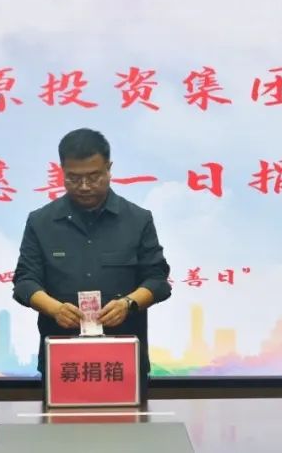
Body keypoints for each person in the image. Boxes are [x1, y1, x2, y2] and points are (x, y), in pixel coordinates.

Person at [12, 128, 172, 403]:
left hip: (123, 363)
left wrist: (128, 304)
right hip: (63, 361)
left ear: (109, 169)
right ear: (62, 171)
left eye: (94, 176)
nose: (85, 186)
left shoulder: (138, 220)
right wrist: (54, 309)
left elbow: (157, 281)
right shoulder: (41, 222)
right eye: (74, 178)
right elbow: (25, 282)